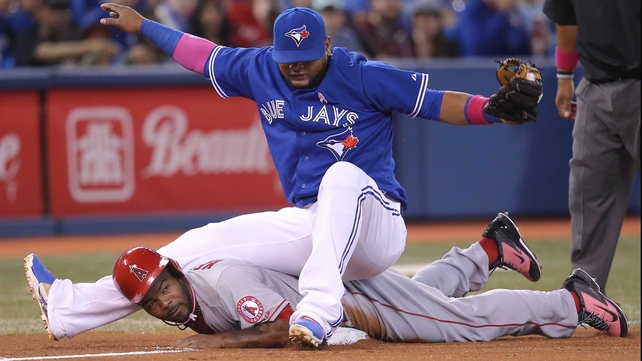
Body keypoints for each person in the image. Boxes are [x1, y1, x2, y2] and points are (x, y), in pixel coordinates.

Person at [24, 3, 538, 348]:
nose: (296, 67)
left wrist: (490, 110)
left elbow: (432, 102)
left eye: (306, 58)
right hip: (317, 222)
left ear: (329, 47)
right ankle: (70, 307)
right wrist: (145, 27)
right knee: (197, 246)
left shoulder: (360, 74)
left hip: (375, 217)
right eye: (288, 59)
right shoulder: (260, 68)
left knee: (341, 176)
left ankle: (317, 311)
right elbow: (203, 56)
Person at [28, 213, 626, 350]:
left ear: (175, 270)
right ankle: (488, 249)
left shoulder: (223, 278)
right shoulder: (185, 293)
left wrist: (221, 343)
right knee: (430, 299)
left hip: (352, 299)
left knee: (455, 325)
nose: (160, 302)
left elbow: (286, 328)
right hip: (336, 284)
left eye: (161, 285)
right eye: (149, 301)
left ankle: (571, 303)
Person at [543, 0, 641, 293]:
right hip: (595, 84)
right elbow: (565, 14)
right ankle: (585, 294)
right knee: (589, 193)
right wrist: (564, 75)